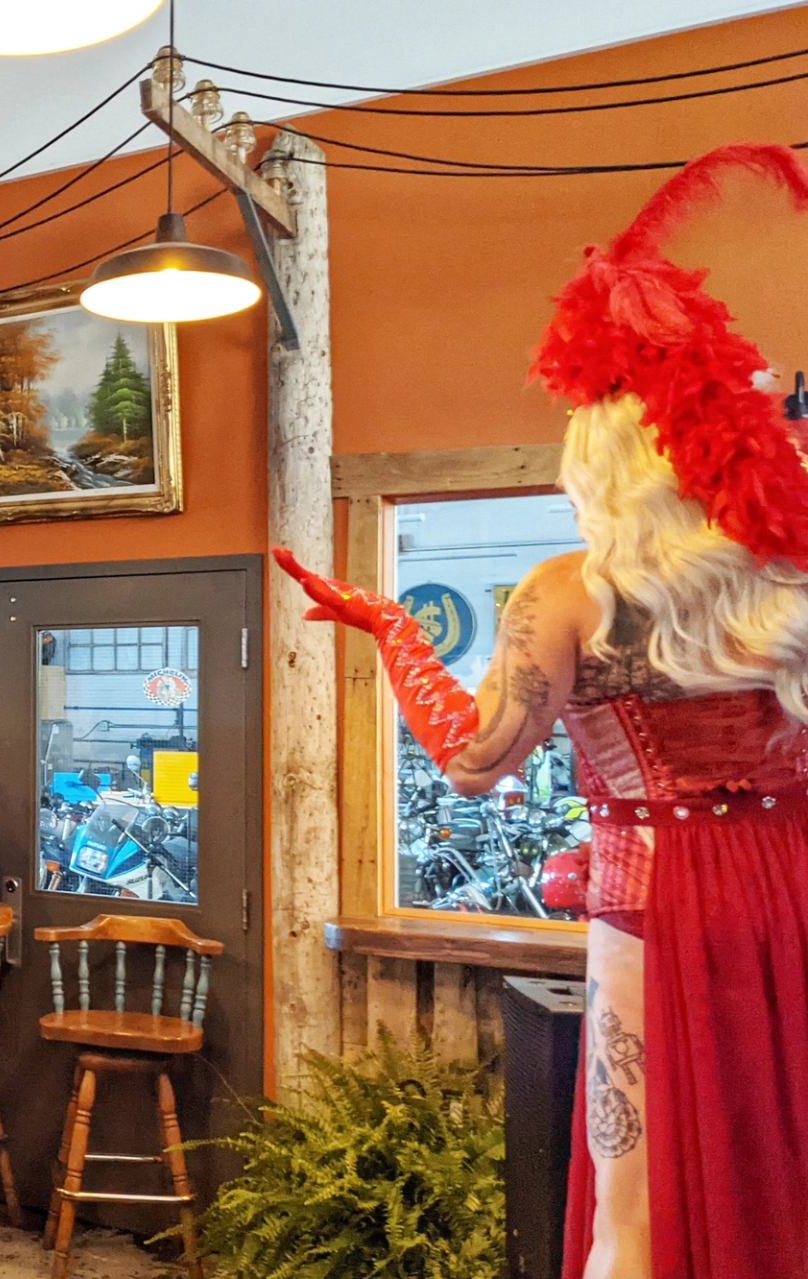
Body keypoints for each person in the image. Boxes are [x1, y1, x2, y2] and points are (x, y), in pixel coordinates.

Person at [279, 144, 808, 1279]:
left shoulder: (569, 592)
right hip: (791, 878)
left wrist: (392, 627)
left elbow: (474, 758)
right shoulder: (787, 579)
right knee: (782, 1149)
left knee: (637, 1186)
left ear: (605, 465)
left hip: (660, 893)